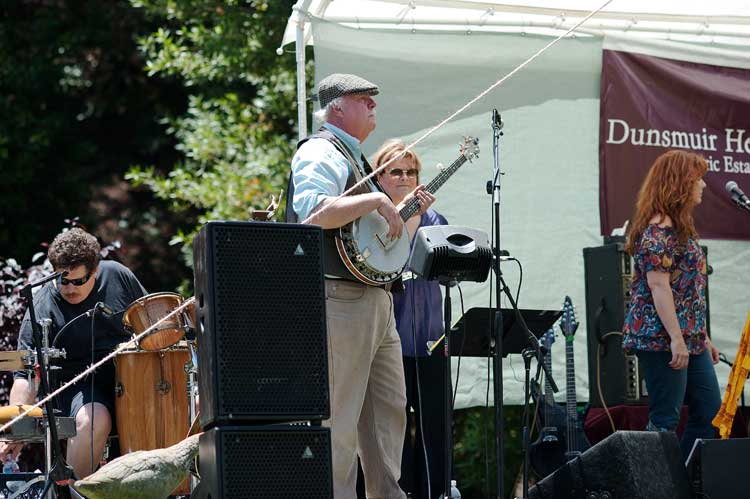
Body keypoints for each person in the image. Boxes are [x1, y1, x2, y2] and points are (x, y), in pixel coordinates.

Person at [289, 73, 434, 499]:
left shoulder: (354, 157)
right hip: (340, 298)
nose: (373, 106)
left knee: (389, 414)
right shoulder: (320, 151)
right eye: (363, 99)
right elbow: (313, 212)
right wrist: (375, 200)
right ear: (337, 107)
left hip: (376, 300)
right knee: (341, 417)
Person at [0, 228, 146, 479]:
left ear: (96, 271)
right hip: (76, 388)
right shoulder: (44, 303)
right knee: (92, 420)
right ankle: (71, 493)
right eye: (63, 280)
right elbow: (24, 371)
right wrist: (17, 427)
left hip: (132, 379)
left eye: (79, 281)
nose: (70, 289)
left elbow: (154, 324)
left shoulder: (118, 276)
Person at [622, 150, 721, 458]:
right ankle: (652, 485)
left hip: (689, 337)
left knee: (710, 414)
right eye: (698, 178)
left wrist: (702, 336)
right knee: (664, 420)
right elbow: (658, 286)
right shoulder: (657, 233)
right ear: (680, 183)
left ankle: (682, 480)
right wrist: (677, 339)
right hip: (661, 338)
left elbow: (688, 291)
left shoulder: (679, 229)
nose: (703, 185)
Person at [372, 140, 447, 499]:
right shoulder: (369, 221)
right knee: (391, 426)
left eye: (411, 171)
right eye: (395, 171)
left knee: (435, 427)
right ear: (380, 177)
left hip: (431, 338)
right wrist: (403, 219)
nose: (404, 177)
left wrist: (417, 219)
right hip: (389, 338)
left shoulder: (436, 220)